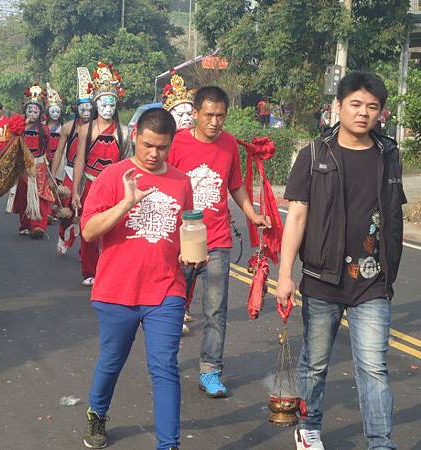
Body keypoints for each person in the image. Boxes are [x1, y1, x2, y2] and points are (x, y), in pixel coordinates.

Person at [276, 72, 406, 450]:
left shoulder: (389, 154)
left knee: (374, 368)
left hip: (372, 281)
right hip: (322, 278)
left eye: (372, 107)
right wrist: (285, 275)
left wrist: (390, 269)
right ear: (339, 106)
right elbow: (296, 217)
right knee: (315, 364)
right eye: (356, 104)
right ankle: (309, 426)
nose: (363, 113)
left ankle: (381, 442)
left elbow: (393, 216)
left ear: (380, 112)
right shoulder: (314, 154)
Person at [81, 108, 193, 450]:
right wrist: (125, 204)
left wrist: (193, 250)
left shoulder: (181, 181)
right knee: (112, 361)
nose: (153, 154)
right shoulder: (113, 176)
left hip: (166, 289)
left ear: (171, 144)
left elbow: (188, 230)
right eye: (147, 145)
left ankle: (168, 445)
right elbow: (88, 232)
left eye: (161, 147)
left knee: (164, 368)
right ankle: (97, 412)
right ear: (135, 137)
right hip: (117, 289)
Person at [168, 86, 269, 398]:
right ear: (195, 114)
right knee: (172, 306)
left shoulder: (228, 145)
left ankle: (211, 370)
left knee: (216, 310)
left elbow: (235, 186)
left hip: (217, 241)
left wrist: (252, 215)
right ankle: (165, 362)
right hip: (181, 241)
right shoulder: (176, 143)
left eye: (220, 116)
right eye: (208, 115)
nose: (214, 122)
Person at [72, 62, 129, 287]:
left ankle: (111, 269)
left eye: (112, 104)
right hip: (90, 184)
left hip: (114, 187)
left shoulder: (124, 132)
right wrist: (76, 190)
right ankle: (90, 271)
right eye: (104, 104)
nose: (108, 109)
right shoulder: (86, 129)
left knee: (113, 229)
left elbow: (126, 164)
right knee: (89, 228)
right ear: (96, 104)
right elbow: (79, 161)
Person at [161, 69, 196, 333]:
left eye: (188, 112)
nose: (185, 118)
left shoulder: (201, 140)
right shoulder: (165, 145)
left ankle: (182, 306)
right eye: (178, 114)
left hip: (194, 214)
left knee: (192, 262)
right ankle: (172, 307)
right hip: (170, 211)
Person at [51, 67, 94, 255]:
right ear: (77, 108)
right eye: (82, 108)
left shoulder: (98, 128)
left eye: (89, 107)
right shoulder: (68, 127)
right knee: (67, 211)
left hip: (90, 174)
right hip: (70, 172)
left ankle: (86, 250)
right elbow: (60, 151)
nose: (86, 111)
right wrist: (53, 176)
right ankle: (63, 234)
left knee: (87, 213)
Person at [11, 84, 54, 238]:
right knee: (24, 196)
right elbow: (13, 146)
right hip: (24, 165)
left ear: (41, 113)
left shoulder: (45, 130)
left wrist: (49, 166)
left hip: (40, 165)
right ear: (25, 111)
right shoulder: (19, 128)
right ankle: (25, 224)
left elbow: (48, 150)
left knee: (41, 195)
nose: (33, 113)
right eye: (30, 110)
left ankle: (38, 226)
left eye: (36, 111)